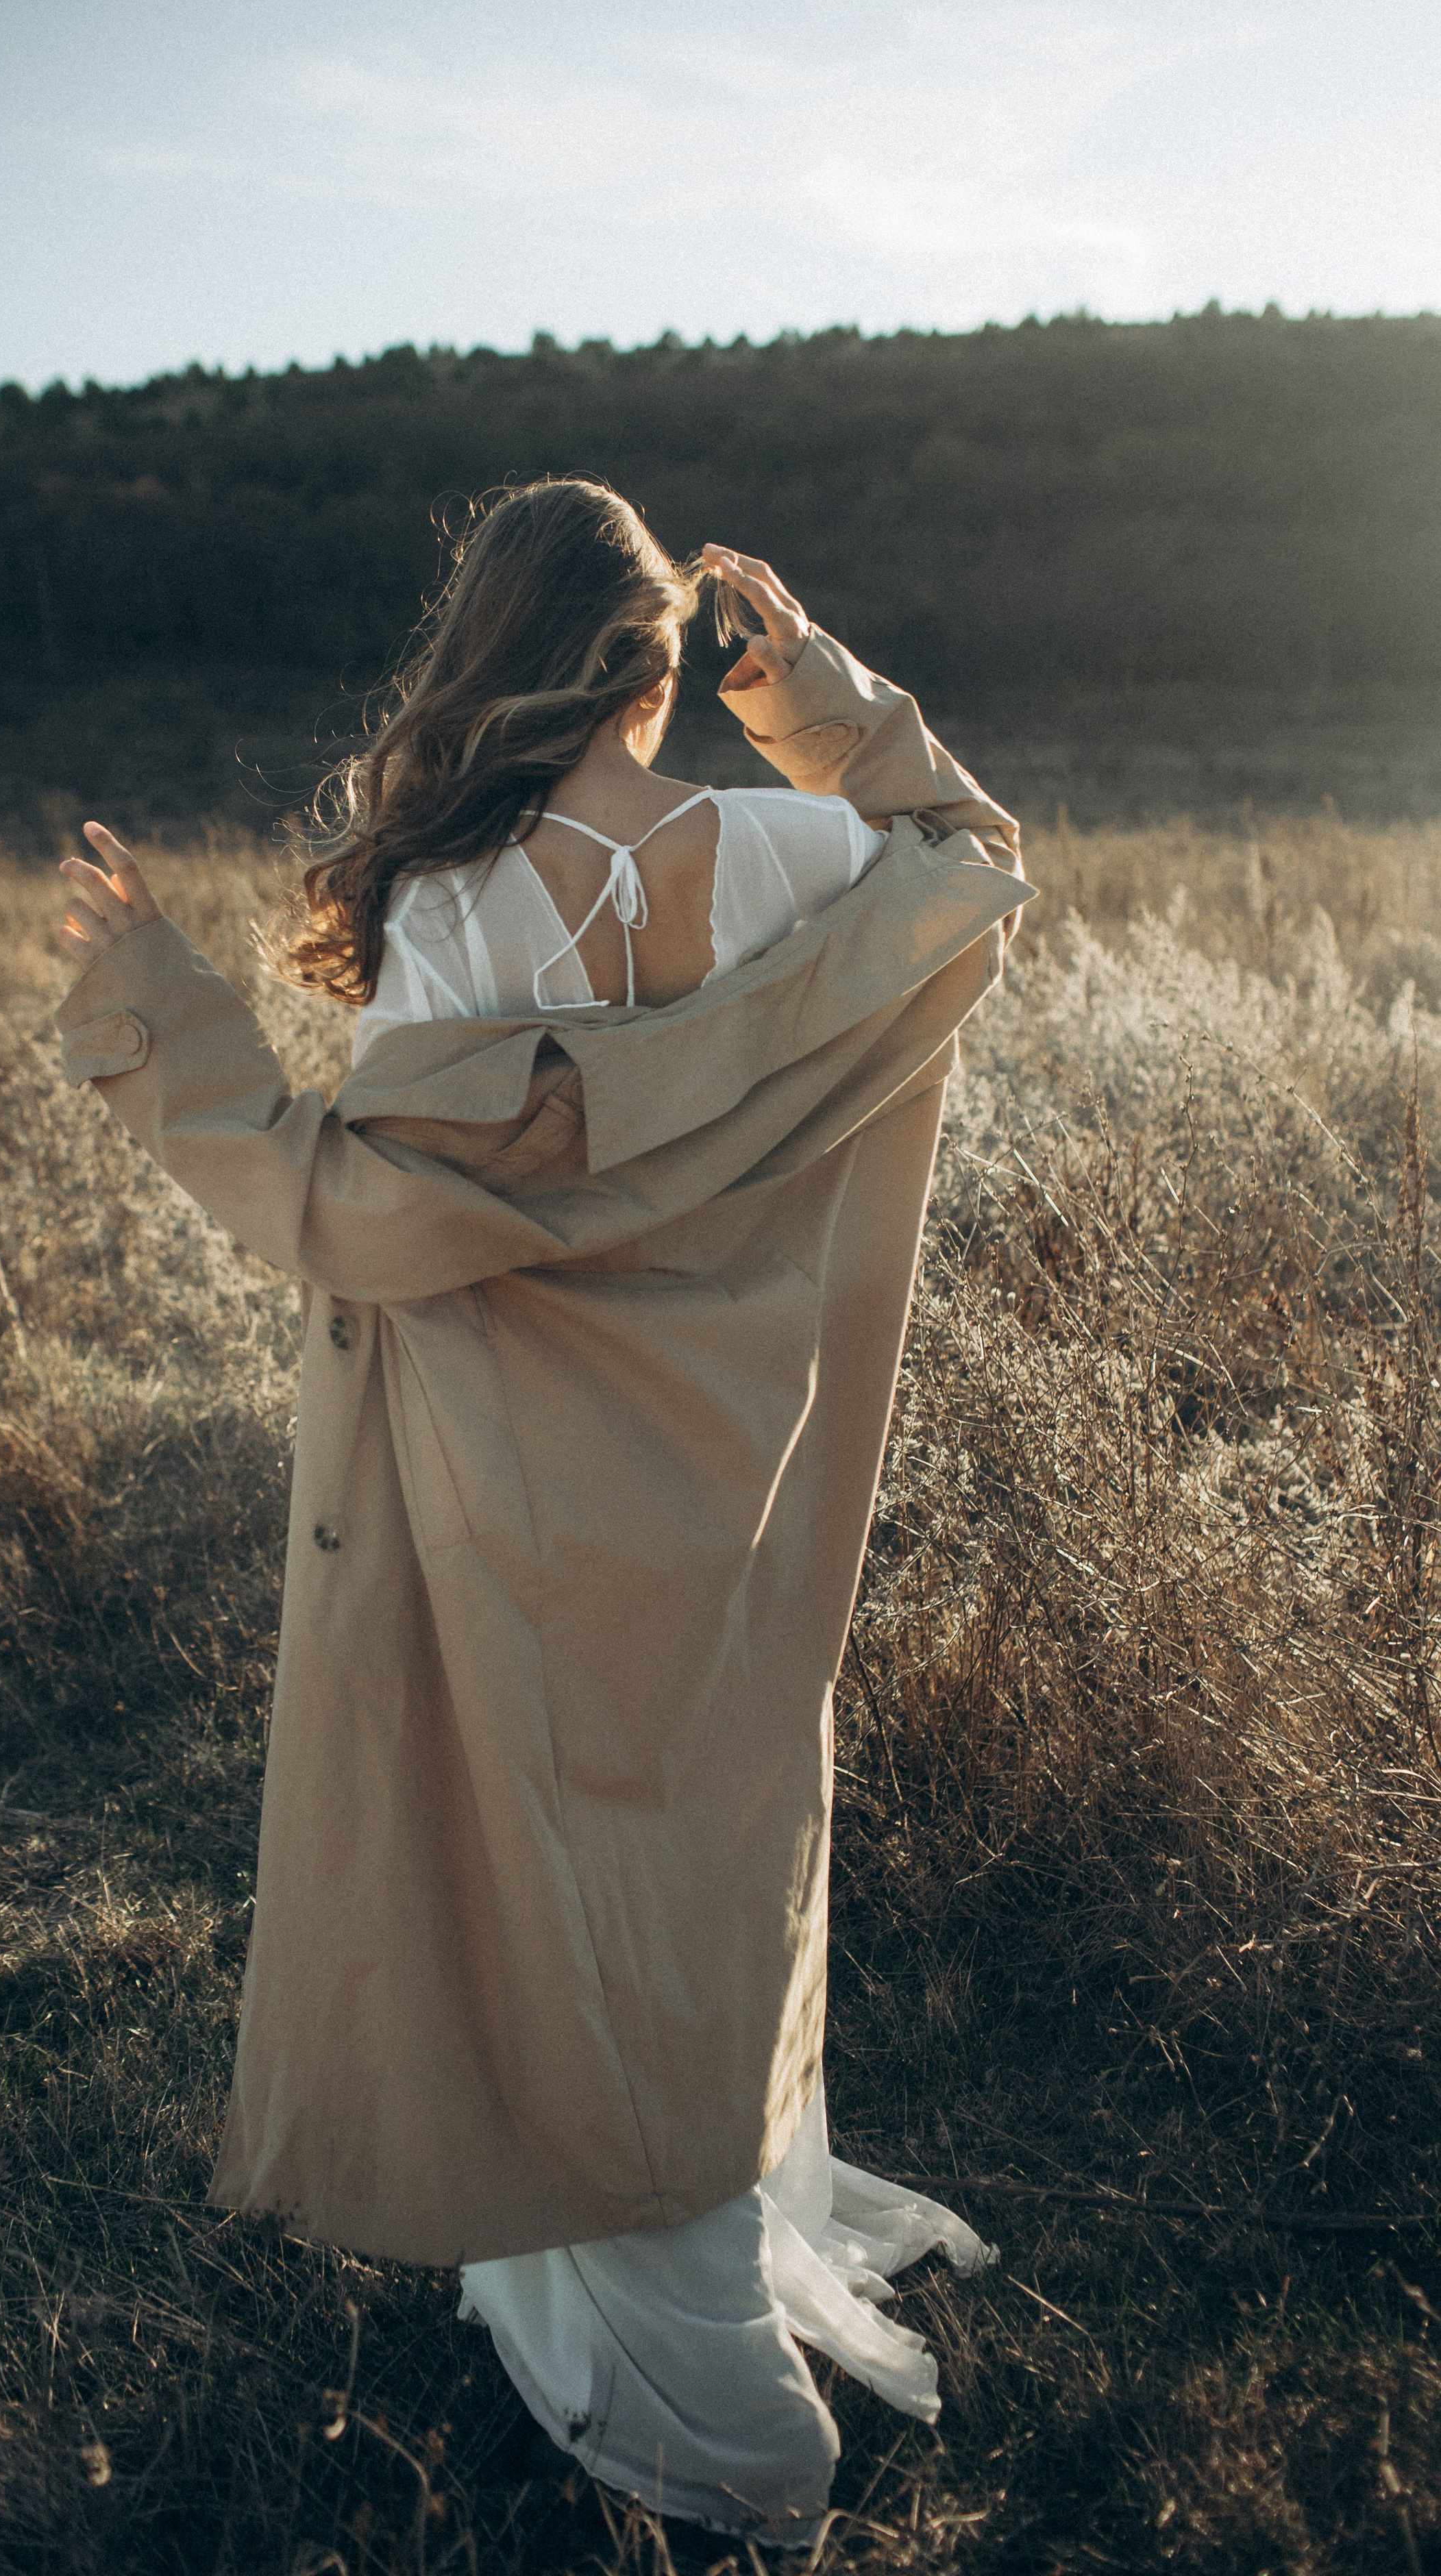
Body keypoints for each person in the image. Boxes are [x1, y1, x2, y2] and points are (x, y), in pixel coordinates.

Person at [53, 480, 1030, 2547]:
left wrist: (160, 1018)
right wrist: (823, 698)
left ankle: (718, 2435)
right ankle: (676, 2262)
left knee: (537, 1902)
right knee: (698, 1872)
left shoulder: (462, 916)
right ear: (667, 664)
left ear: (493, 659)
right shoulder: (789, 849)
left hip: (506, 1493)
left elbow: (346, 1210)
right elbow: (973, 861)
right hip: (733, 1482)